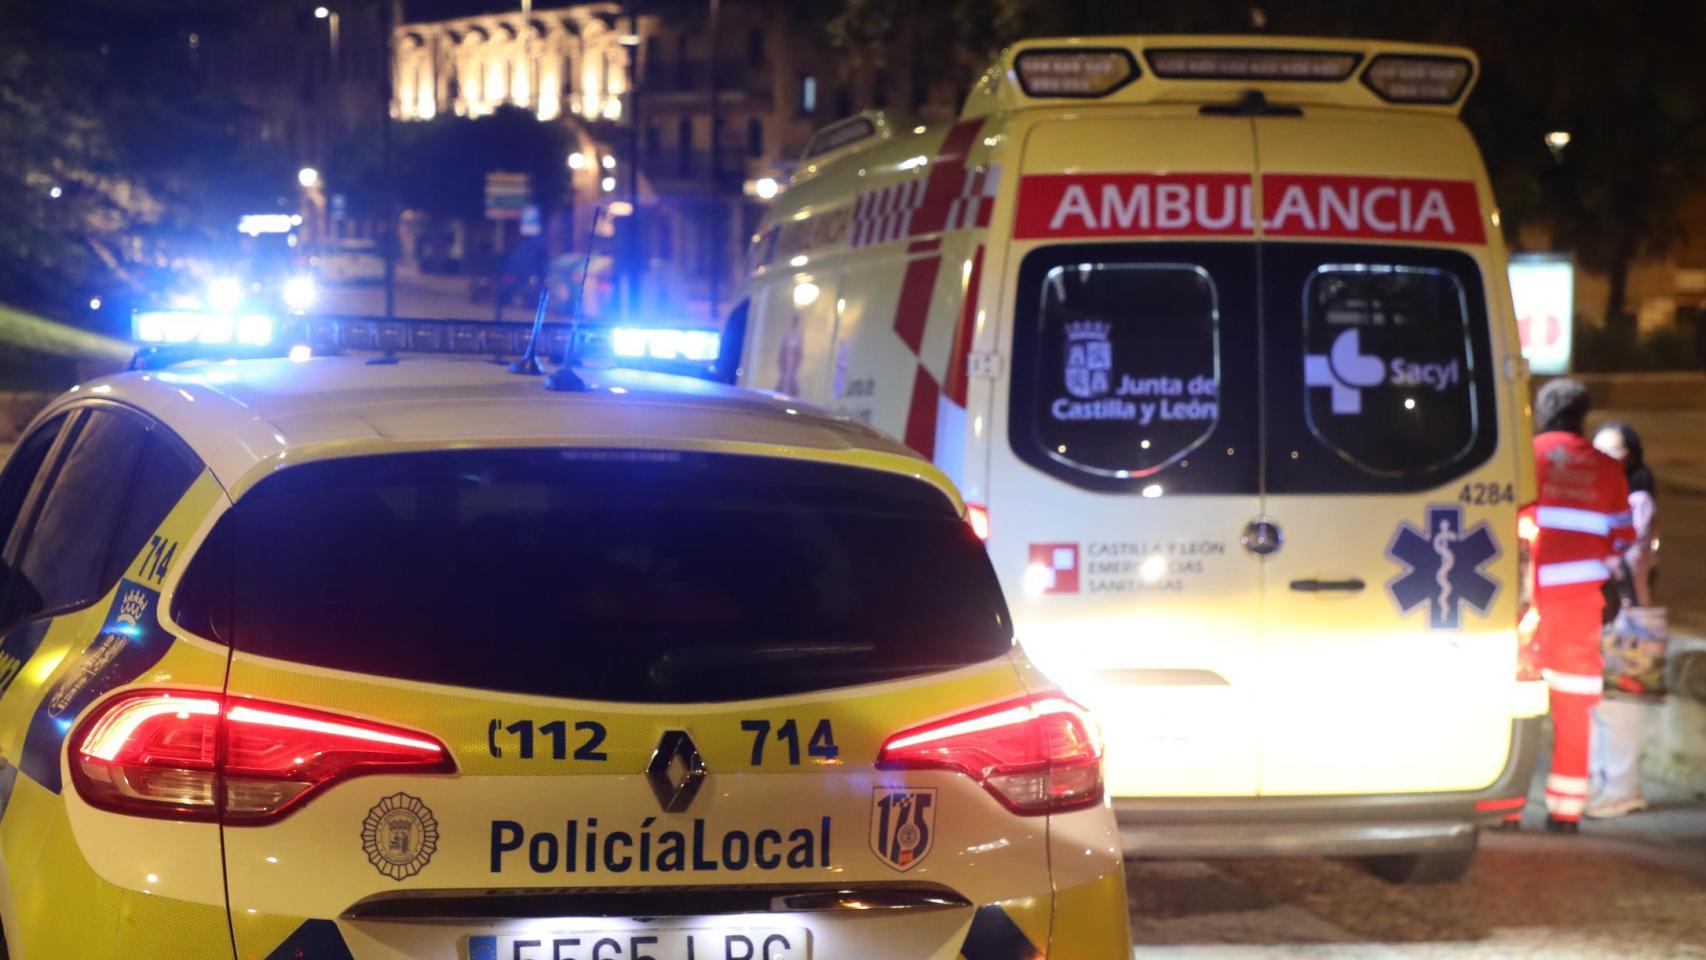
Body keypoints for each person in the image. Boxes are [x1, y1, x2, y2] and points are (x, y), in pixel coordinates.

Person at [1527, 379, 1635, 832]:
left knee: (1517, 702)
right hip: (1579, 608)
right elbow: (1623, 537)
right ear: (1582, 416)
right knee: (1573, 708)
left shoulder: (1526, 454)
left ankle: (1508, 809)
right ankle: (1565, 811)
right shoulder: (1608, 469)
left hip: (1524, 602)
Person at [1587, 421, 1660, 818]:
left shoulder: (1637, 498)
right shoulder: (1606, 494)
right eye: (1597, 449)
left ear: (1630, 455)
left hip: (1631, 616)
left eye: (1613, 451)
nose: (1604, 458)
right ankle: (1606, 784)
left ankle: (1623, 788)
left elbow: (1628, 556)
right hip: (1610, 613)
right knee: (1601, 705)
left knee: (1621, 705)